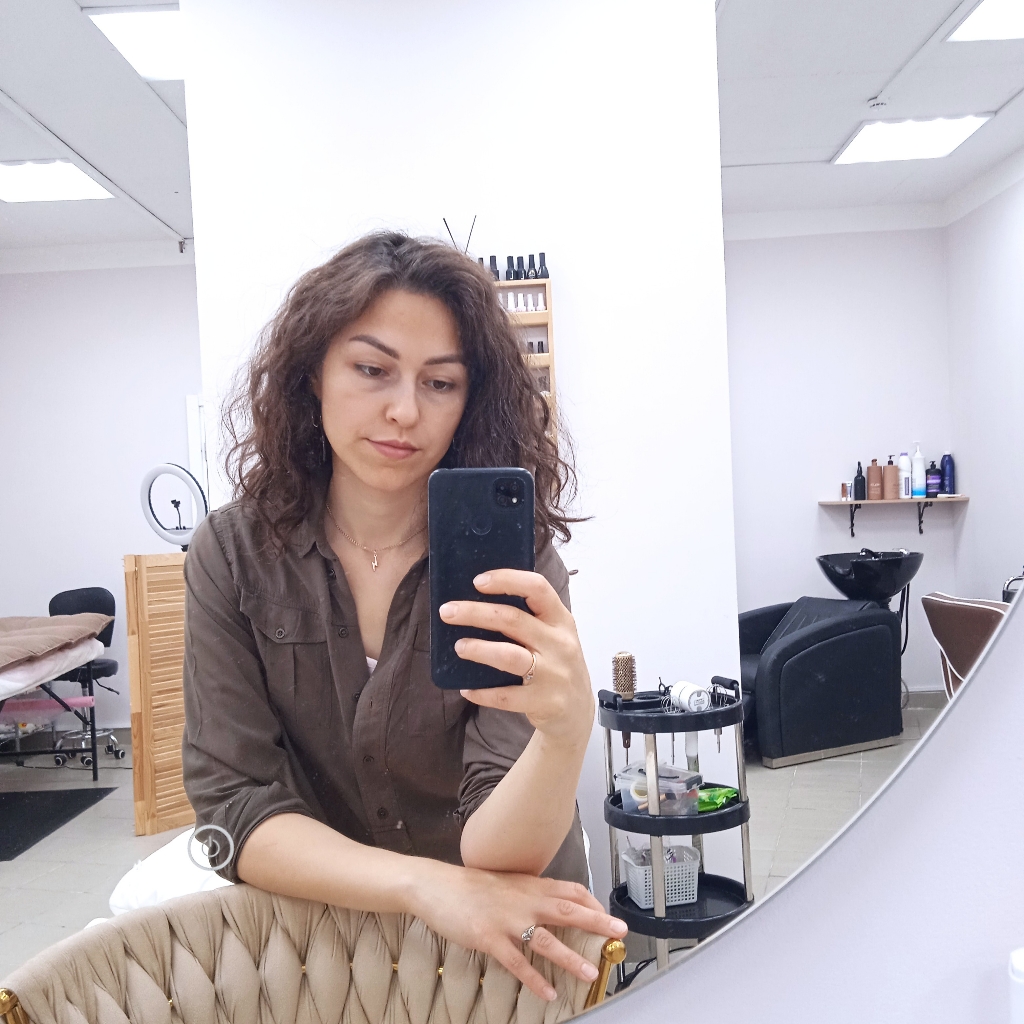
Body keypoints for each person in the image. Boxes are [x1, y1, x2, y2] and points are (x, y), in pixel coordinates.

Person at [181, 232, 626, 1001]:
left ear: (468, 401)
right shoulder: (233, 555)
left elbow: (500, 848)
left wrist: (567, 732)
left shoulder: (517, 565)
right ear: (312, 374)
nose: (404, 411)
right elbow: (236, 809)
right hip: (342, 952)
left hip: (517, 951)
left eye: (440, 382)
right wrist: (422, 885)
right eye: (371, 369)